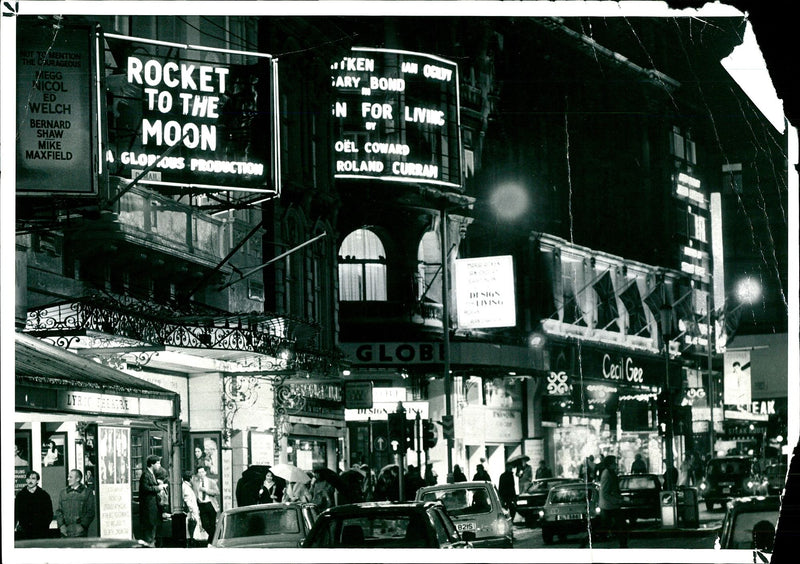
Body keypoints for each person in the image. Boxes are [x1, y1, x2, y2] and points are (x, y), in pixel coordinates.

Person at [54, 469, 95, 537]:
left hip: (80, 532)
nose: (68, 479)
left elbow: (90, 512)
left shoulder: (87, 492)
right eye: (68, 477)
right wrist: (61, 526)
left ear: (78, 479)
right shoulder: (63, 492)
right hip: (65, 532)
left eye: (70, 477)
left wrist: (82, 526)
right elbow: (59, 511)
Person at [598, 455, 628, 548]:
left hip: (610, 505)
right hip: (609, 506)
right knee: (620, 526)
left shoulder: (610, 473)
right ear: (610, 464)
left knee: (617, 526)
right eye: (614, 463)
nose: (616, 464)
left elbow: (612, 490)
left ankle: (623, 545)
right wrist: (618, 500)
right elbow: (605, 493)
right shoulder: (607, 474)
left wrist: (620, 498)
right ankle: (623, 545)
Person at [138, 454, 168, 546]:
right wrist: (158, 488)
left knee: (152, 530)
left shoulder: (151, 474)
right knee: (149, 531)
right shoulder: (145, 474)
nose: (159, 466)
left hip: (153, 508)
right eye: (158, 463)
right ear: (152, 464)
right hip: (148, 508)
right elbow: (145, 488)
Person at [15, 470, 53, 540]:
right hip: (24, 531)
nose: (30, 481)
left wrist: (43, 526)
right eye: (28, 478)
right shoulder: (21, 495)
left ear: (37, 481)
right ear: (26, 480)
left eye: (33, 478)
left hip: (40, 531)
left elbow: (49, 514)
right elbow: (16, 512)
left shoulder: (44, 495)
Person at [193, 465, 220, 544]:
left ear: (205, 472)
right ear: (197, 474)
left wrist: (206, 490)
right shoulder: (196, 482)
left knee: (212, 524)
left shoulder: (211, 481)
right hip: (201, 505)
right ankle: (216, 537)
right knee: (205, 524)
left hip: (210, 504)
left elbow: (217, 492)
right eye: (199, 472)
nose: (201, 474)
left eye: (202, 472)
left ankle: (211, 541)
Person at [181, 470, 202, 547]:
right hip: (191, 513)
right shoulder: (186, 488)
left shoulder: (187, 487)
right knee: (191, 531)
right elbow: (188, 501)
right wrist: (192, 511)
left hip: (192, 512)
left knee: (191, 531)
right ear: (190, 478)